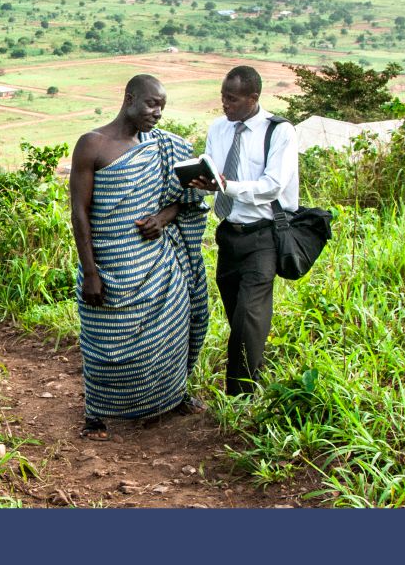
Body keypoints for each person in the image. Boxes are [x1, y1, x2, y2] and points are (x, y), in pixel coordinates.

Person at [68, 75, 210, 441]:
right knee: (104, 343)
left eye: (162, 106)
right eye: (151, 104)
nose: (158, 113)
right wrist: (90, 272)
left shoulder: (163, 147)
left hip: (157, 264)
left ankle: (173, 395)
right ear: (129, 97)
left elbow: (187, 199)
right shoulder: (92, 144)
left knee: (171, 331)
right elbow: (79, 214)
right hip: (110, 265)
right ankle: (96, 414)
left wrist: (163, 218)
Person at [190, 65, 299, 395]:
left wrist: (227, 185)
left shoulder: (279, 132)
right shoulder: (219, 129)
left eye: (232, 99)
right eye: (223, 97)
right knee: (238, 314)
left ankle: (240, 397)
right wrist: (205, 183)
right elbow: (215, 175)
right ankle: (255, 375)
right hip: (229, 234)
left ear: (253, 98)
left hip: (264, 234)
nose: (225, 104)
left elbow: (272, 186)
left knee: (248, 317)